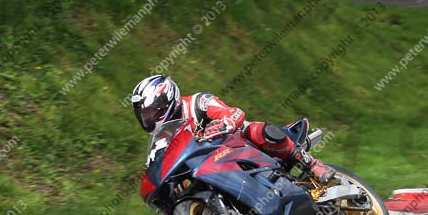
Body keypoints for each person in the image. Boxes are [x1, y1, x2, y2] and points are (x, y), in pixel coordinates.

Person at [131, 74, 335, 184]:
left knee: (256, 130)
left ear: (167, 101)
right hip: (210, 167)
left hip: (236, 143)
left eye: (150, 112)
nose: (147, 118)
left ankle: (312, 165)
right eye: (144, 115)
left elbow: (235, 112)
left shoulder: (197, 102)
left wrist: (225, 123)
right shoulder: (163, 138)